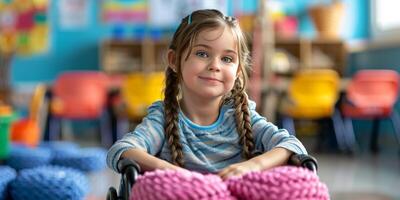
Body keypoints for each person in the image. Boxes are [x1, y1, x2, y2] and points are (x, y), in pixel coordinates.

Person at [107, 9, 307, 180]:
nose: (215, 66)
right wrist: (175, 174)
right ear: (174, 60)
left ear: (238, 71)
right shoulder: (162, 118)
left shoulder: (241, 114)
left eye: (227, 58)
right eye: (202, 54)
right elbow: (122, 150)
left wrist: (252, 166)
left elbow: (293, 145)